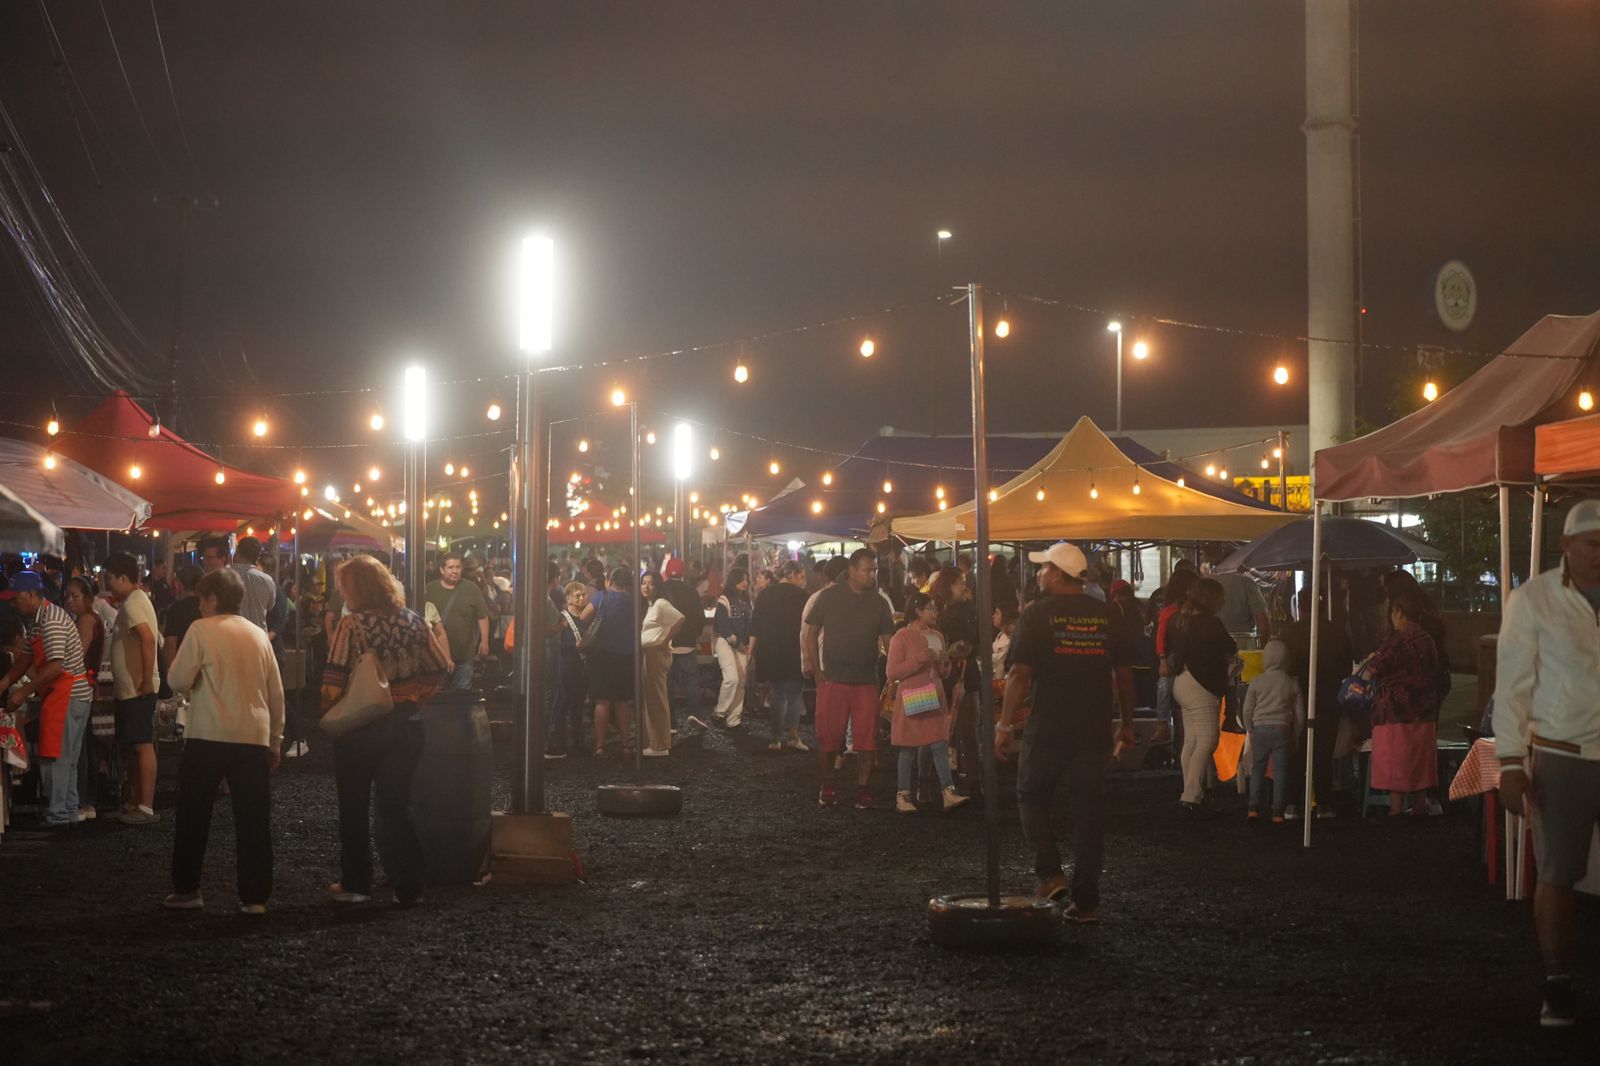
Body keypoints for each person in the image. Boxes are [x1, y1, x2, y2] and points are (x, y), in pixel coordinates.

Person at [1494, 499, 1600, 1028]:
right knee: (1557, 872)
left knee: (1560, 872)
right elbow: (1512, 684)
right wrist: (1510, 759)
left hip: (1571, 752)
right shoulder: (1533, 599)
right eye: (1593, 544)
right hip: (1562, 753)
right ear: (1566, 546)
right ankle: (1556, 981)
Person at [996, 542, 1135, 919]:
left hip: (1049, 726)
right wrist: (1127, 724)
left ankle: (1050, 872)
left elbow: (1020, 674)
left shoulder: (1037, 614)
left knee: (1030, 794)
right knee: (1089, 813)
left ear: (1058, 574)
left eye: (1043, 569)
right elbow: (1123, 676)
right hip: (1094, 728)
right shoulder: (1109, 615)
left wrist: (1005, 725)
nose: (1039, 574)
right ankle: (1086, 902)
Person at [321, 555, 448, 905]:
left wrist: (330, 711)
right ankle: (409, 885)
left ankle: (357, 883)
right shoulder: (413, 620)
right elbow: (440, 667)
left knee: (354, 805)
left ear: (356, 588)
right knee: (396, 806)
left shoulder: (352, 625)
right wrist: (415, 697)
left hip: (361, 727)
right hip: (406, 724)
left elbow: (333, 677)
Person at [163, 569, 284, 913]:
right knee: (253, 819)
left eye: (202, 598)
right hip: (253, 736)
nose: (199, 605)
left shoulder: (201, 630)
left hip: (209, 735)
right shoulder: (259, 635)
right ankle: (255, 896)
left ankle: (187, 889)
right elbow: (275, 693)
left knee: (193, 815)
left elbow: (178, 679)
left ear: (213, 598)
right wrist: (275, 739)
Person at [804, 548, 894, 809]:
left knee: (867, 739)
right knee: (829, 736)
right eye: (867, 570)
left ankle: (863, 788)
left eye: (874, 570)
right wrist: (817, 670)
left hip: (866, 678)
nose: (872, 575)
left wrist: (894, 673)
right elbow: (811, 633)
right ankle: (828, 783)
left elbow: (889, 640)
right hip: (833, 678)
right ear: (852, 571)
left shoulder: (878, 602)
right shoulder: (828, 597)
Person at [1, 571, 93, 828]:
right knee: (66, 757)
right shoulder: (36, 621)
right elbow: (25, 659)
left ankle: (59, 813)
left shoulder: (51, 620)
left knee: (60, 757)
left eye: (17, 597)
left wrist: (21, 691)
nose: (14, 603)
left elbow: (55, 667)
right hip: (61, 695)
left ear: (31, 595)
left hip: (70, 694)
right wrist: (5, 683)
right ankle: (68, 808)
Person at [1362, 587, 1439, 818]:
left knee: (1397, 759)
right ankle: (1419, 806)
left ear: (1400, 612)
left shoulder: (1399, 641)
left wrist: (1372, 659)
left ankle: (1396, 809)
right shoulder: (1427, 638)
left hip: (1396, 710)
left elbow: (1375, 669)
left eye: (1393, 612)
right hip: (1424, 710)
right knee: (1420, 759)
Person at [888, 591, 967, 813]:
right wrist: (917, 660)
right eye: (931, 608)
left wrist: (945, 663)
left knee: (939, 743)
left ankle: (947, 792)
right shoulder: (900, 637)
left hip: (935, 694)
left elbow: (943, 673)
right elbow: (892, 671)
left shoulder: (938, 636)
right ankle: (903, 795)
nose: (935, 612)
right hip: (913, 695)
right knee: (908, 747)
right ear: (918, 611)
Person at [1283, 586, 1353, 818]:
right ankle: (1323, 802)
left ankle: (1293, 802)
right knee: (1323, 749)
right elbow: (1346, 666)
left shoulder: (1289, 633)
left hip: (1297, 695)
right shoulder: (1337, 632)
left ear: (1300, 606)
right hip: (1330, 694)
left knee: (1296, 747)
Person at [106, 552, 164, 825]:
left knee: (142, 745)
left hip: (137, 689)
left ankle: (146, 806)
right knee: (133, 745)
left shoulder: (132, 604)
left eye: (109, 578)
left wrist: (145, 680)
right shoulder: (134, 600)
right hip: (131, 688)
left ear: (122, 578)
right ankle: (133, 802)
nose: (106, 583)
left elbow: (148, 639)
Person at [1170, 578, 1236, 812]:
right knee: (1208, 739)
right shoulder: (1211, 623)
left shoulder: (1179, 619)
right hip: (1202, 684)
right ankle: (1190, 795)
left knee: (1192, 740)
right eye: (1221, 598)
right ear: (1211, 599)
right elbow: (1231, 646)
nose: (1223, 602)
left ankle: (1190, 792)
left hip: (1181, 681)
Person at [748, 560, 811, 752]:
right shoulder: (803, 596)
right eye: (801, 576)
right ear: (791, 574)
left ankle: (776, 738)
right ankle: (793, 735)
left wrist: (751, 651)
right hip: (794, 650)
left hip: (771, 650)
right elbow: (809, 627)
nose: (803, 581)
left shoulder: (765, 594)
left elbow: (755, 625)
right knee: (794, 694)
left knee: (777, 694)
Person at [1240, 639, 1304, 823]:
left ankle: (1253, 808)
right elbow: (1299, 713)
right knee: (1281, 770)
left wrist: (1249, 728)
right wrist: (1296, 735)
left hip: (1259, 728)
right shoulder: (1291, 682)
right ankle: (1277, 812)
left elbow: (1247, 709)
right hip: (1282, 728)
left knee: (1258, 768)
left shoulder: (1257, 681)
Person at [64, 576, 108, 820]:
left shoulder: (86, 620)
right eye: (68, 596)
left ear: (88, 598)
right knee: (84, 745)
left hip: (80, 687)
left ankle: (83, 800)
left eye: (76, 596)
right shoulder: (91, 618)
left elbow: (77, 655)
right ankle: (86, 799)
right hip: (88, 686)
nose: (70, 601)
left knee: (79, 747)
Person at [588, 567, 638, 756]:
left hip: (602, 655)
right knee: (623, 701)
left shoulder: (602, 597)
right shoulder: (635, 600)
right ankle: (625, 744)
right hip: (626, 655)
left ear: (610, 581)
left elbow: (584, 617)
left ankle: (600, 745)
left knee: (603, 701)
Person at [426, 552, 489, 690]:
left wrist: (484, 641)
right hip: (437, 655)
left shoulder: (471, 588)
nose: (455, 571)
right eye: (450, 567)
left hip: (464, 654)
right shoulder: (430, 588)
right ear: (442, 570)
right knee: (437, 696)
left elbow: (482, 616)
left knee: (462, 696)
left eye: (458, 567)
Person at [639, 571, 683, 756]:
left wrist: (665, 641)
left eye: (651, 583)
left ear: (658, 586)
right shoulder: (651, 605)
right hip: (649, 652)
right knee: (651, 698)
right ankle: (654, 741)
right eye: (644, 582)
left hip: (655, 652)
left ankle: (660, 744)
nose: (646, 586)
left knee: (656, 698)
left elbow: (680, 619)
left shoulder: (661, 604)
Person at [1154, 569, 1199, 743]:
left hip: (1186, 656)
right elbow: (1160, 636)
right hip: (1174, 657)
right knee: (1164, 685)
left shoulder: (1189, 611)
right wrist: (1163, 658)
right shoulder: (1170, 611)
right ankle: (1162, 723)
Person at [661, 571, 706, 729]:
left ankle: (669, 720)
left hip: (666, 643)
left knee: (667, 683)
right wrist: (693, 634)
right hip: (687, 643)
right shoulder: (690, 591)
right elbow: (700, 618)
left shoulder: (661, 589)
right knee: (692, 680)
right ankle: (696, 714)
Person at [553, 581, 592, 757]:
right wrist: (573, 646)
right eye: (578, 596)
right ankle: (558, 741)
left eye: (584, 595)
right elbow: (555, 642)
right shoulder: (562, 618)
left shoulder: (586, 618)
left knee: (578, 705)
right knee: (563, 703)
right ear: (568, 598)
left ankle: (577, 740)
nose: (582, 599)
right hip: (566, 665)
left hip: (581, 667)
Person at [711, 567, 753, 730]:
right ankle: (719, 712)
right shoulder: (724, 599)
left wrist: (748, 642)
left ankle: (734, 719)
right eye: (742, 579)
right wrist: (736, 642)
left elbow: (750, 624)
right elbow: (721, 624)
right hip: (725, 642)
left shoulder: (748, 601)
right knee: (732, 678)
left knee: (742, 681)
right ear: (734, 581)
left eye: (747, 580)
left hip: (742, 644)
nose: (745, 583)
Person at [1206, 544, 1270, 649]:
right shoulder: (1247, 583)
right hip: (1244, 647)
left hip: (1212, 646)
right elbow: (1263, 623)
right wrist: (1261, 649)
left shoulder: (1207, 582)